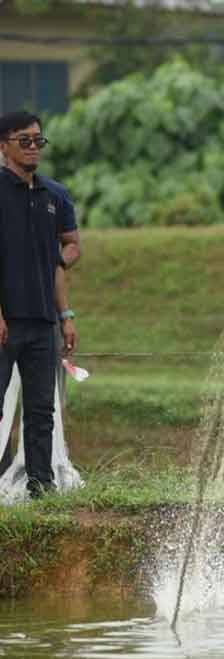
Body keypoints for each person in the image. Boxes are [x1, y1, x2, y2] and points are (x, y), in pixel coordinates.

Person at [0, 111, 78, 498]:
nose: (33, 147)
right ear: (3, 146)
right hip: (5, 321)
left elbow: (69, 245)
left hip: (43, 320)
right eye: (23, 140)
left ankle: (41, 485)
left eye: (37, 140)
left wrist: (65, 316)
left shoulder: (55, 195)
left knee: (41, 410)